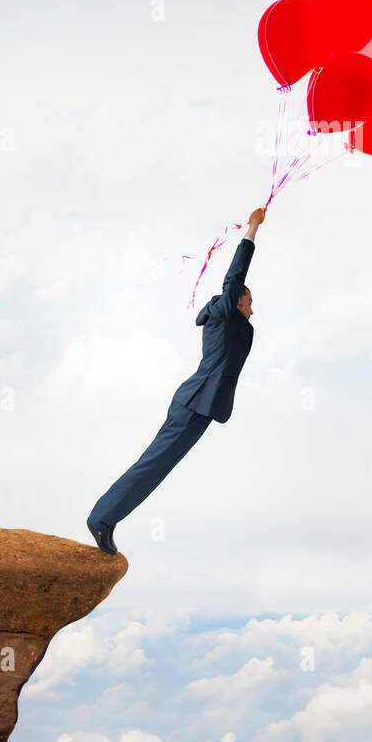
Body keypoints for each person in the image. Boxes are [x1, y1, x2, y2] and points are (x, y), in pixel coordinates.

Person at [86, 207, 265, 554]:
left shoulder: (233, 322)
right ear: (237, 300)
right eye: (249, 302)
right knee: (151, 465)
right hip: (193, 403)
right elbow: (234, 276)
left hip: (203, 408)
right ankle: (101, 519)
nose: (252, 309)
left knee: (157, 470)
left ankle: (106, 519)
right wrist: (252, 230)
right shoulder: (225, 312)